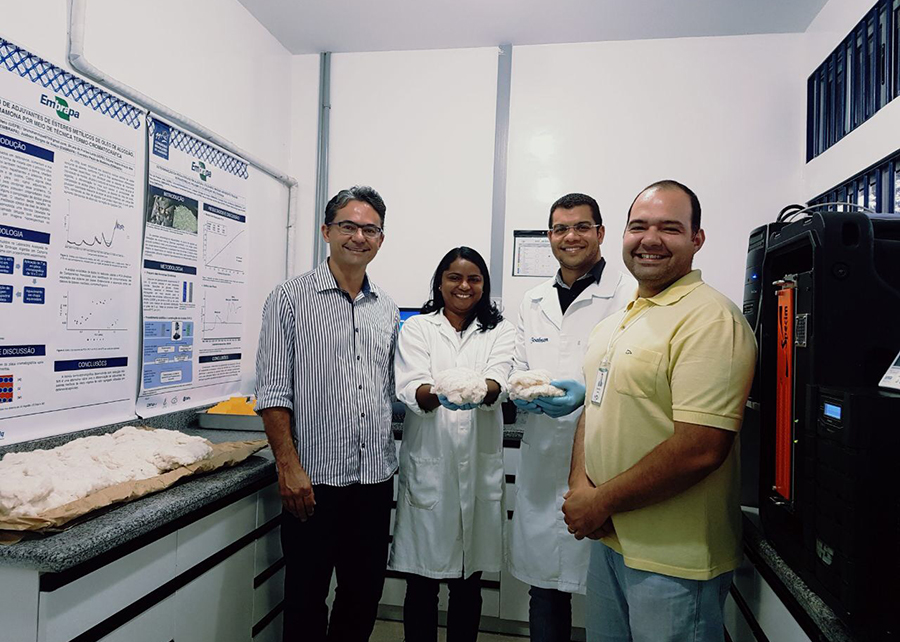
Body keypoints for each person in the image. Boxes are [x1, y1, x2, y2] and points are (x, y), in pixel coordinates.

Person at [562, 180, 757, 642]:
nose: (650, 239)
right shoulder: (621, 317)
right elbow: (595, 404)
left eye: (669, 228)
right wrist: (579, 488)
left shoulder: (710, 320)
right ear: (623, 235)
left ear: (697, 239)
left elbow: (701, 448)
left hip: (674, 559)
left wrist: (601, 500)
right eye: (639, 226)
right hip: (610, 541)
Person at [255, 186, 399, 642]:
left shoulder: (388, 310)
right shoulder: (290, 299)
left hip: (375, 479)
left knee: (362, 595)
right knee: (306, 597)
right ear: (326, 231)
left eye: (370, 229)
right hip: (313, 480)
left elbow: (389, 390)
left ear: (380, 238)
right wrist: (288, 466)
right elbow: (273, 390)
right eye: (348, 226)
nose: (359, 236)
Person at [507, 193, 634, 641]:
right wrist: (519, 391)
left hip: (607, 461)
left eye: (582, 227)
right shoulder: (533, 300)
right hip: (544, 458)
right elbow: (517, 365)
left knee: (612, 594)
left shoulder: (630, 293)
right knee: (545, 590)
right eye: (560, 229)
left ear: (600, 233)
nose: (570, 236)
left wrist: (586, 397)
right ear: (549, 238)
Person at [390, 246, 515, 642]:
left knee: (468, 583)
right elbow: (411, 385)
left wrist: (479, 390)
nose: (464, 286)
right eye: (454, 277)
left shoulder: (502, 331)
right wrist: (440, 394)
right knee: (421, 584)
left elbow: (499, 381)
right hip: (432, 467)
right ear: (440, 282)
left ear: (484, 285)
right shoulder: (418, 328)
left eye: (474, 279)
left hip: (478, 468)